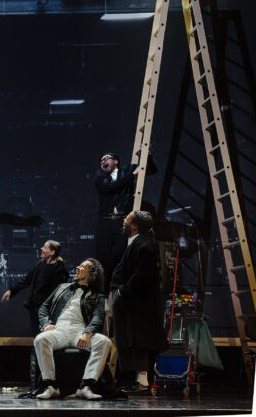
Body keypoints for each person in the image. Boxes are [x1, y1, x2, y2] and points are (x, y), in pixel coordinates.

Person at [34, 258, 111, 400]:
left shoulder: (98, 295)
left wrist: (87, 332)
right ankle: (51, 387)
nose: (77, 267)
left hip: (80, 331)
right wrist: (46, 324)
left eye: (82, 266)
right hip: (59, 330)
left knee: (104, 341)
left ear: (92, 273)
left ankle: (85, 386)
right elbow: (43, 308)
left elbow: (98, 317)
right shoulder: (62, 287)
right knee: (40, 339)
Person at [0, 240, 68, 393]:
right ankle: (38, 383)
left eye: (45, 247)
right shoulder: (41, 264)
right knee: (37, 342)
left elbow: (59, 293)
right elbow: (27, 279)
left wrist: (48, 312)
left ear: (52, 252)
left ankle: (46, 382)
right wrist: (12, 290)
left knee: (44, 343)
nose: (41, 249)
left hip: (47, 313)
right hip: (34, 309)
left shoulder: (59, 269)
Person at [110, 210, 165, 392]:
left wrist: (122, 291)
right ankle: (138, 381)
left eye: (127, 219)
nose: (123, 220)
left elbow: (141, 275)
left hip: (138, 304)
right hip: (131, 302)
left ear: (134, 226)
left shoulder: (144, 246)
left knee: (139, 343)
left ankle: (142, 382)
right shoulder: (138, 242)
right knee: (131, 341)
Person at [94, 152, 156, 291]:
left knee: (121, 253)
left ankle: (117, 285)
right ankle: (102, 289)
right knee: (102, 256)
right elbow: (110, 188)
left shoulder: (127, 169)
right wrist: (132, 175)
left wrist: (148, 157)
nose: (103, 161)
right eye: (101, 160)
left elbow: (151, 170)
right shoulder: (100, 177)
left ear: (115, 161)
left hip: (122, 221)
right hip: (105, 221)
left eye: (106, 158)